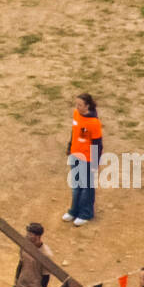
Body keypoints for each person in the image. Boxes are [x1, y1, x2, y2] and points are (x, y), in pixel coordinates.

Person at [63, 93, 103, 226]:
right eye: (77, 104)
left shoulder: (94, 123)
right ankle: (74, 211)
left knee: (86, 187)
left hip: (87, 158)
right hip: (75, 155)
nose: (77, 107)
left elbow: (97, 144)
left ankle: (86, 213)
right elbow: (74, 132)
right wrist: (70, 147)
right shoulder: (76, 114)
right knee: (76, 185)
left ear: (87, 106)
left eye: (80, 105)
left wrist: (95, 163)